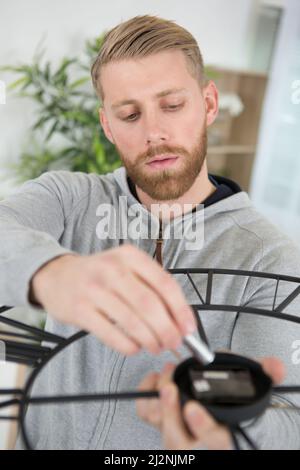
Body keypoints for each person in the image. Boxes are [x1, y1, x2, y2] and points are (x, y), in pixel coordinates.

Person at [0, 15, 300, 450]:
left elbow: (289, 425)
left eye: (172, 106)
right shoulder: (69, 198)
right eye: (129, 114)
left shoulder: (269, 258)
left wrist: (235, 427)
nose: (153, 133)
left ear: (209, 104)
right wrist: (52, 272)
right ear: (107, 125)